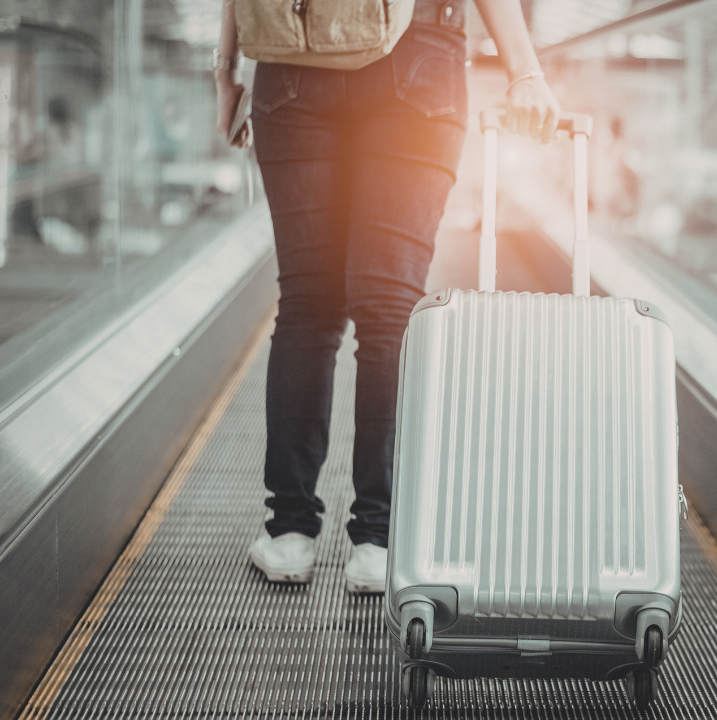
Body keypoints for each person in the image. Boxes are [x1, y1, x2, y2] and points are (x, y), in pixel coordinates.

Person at [213, 0, 559, 592]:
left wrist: (226, 69)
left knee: (307, 304)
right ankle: (377, 539)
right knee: (389, 308)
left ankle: (290, 534)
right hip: (417, 56)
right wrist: (524, 71)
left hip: (291, 58)